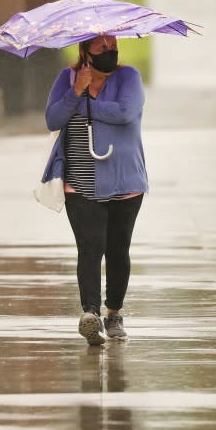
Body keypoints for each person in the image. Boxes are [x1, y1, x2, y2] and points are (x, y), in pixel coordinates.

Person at [41, 35, 147, 346]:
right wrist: (75, 91)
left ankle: (113, 313)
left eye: (113, 46)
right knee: (90, 248)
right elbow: (52, 119)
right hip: (80, 180)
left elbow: (125, 112)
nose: (110, 51)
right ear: (85, 51)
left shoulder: (129, 77)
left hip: (123, 180)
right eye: (102, 48)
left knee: (117, 249)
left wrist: (83, 104)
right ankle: (90, 313)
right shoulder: (68, 78)